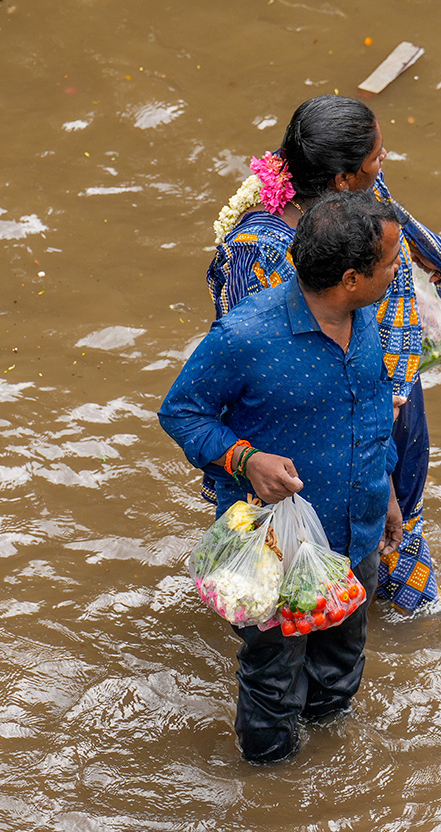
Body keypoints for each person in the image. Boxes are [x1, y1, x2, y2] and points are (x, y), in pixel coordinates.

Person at [160, 192, 405, 763]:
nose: (398, 274)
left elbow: (370, 412)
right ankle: (270, 804)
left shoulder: (362, 319)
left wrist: (388, 493)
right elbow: (181, 412)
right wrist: (245, 459)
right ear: (350, 277)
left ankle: (325, 763)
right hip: (275, 546)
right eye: (391, 264)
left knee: (342, 659)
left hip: (358, 528)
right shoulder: (244, 337)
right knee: (273, 675)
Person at [206, 94, 441, 615]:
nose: (383, 163)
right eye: (377, 157)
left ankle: (397, 608)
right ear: (342, 180)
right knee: (305, 554)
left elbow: (408, 234)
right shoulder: (260, 247)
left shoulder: (365, 197)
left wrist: (391, 398)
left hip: (390, 393)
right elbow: (249, 360)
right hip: (320, 417)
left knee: (396, 509)